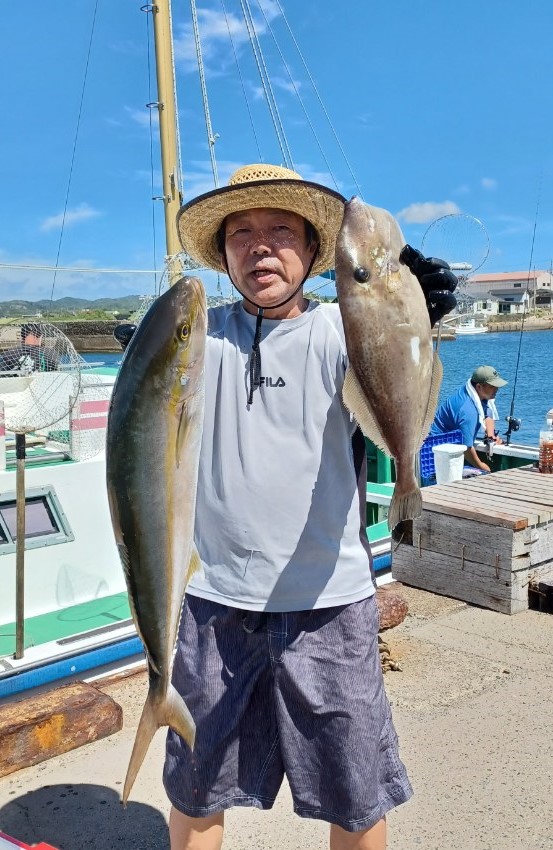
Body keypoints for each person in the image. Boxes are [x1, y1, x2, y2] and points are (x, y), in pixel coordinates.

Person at [119, 163, 457, 850]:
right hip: (213, 606)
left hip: (330, 603)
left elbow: (392, 351)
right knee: (195, 788)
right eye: (240, 234)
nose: (259, 246)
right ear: (223, 256)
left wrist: (412, 305)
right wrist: (140, 351)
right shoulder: (198, 340)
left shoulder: (342, 330)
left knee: (355, 797)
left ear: (312, 250)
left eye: (279, 230)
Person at [430, 364, 508, 474]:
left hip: (453, 444)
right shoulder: (468, 410)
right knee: (486, 472)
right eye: (492, 386)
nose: (497, 389)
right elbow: (466, 447)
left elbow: (487, 411)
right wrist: (482, 466)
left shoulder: (473, 392)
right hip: (436, 452)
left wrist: (491, 436)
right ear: (479, 387)